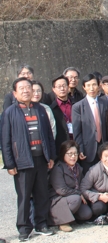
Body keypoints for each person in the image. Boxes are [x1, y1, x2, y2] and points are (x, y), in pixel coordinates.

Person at [1, 77, 56, 241]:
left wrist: (51, 156)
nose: (26, 91)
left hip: (41, 159)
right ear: (15, 93)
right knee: (24, 196)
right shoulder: (10, 112)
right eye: (22, 88)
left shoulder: (40, 109)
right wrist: (9, 163)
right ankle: (24, 228)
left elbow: (48, 135)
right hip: (22, 160)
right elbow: (5, 140)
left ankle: (41, 224)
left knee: (41, 193)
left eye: (28, 87)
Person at [48, 140, 92, 232]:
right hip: (58, 199)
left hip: (73, 197)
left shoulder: (78, 168)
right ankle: (62, 221)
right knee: (76, 199)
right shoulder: (58, 168)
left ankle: (69, 217)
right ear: (63, 154)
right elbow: (61, 190)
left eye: (75, 154)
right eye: (70, 154)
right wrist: (79, 194)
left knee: (87, 214)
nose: (73, 157)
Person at [72, 74, 108, 174]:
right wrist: (80, 149)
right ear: (84, 87)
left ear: (99, 86)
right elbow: (77, 131)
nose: (91, 88)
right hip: (88, 148)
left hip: (104, 145)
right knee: (89, 176)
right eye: (88, 85)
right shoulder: (78, 107)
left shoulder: (105, 103)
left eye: (94, 85)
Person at [49, 75, 73, 150]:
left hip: (76, 142)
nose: (62, 89)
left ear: (68, 87)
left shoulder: (76, 105)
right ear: (54, 89)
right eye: (59, 86)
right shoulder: (51, 109)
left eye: (64, 85)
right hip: (61, 145)